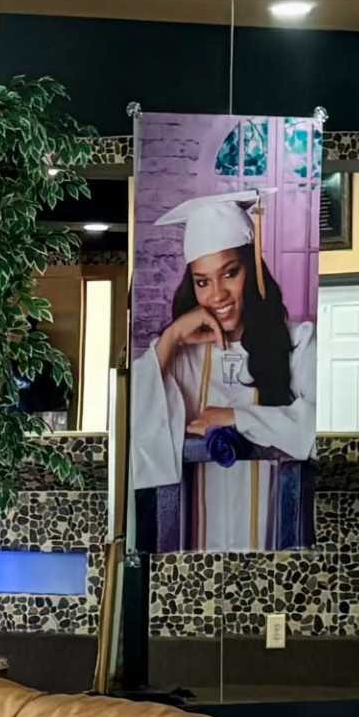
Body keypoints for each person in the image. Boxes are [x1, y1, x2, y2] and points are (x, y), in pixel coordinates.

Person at [129, 191, 316, 552]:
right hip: (192, 539)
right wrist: (169, 339)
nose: (218, 295)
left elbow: (316, 428)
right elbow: (133, 432)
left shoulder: (299, 343)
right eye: (202, 281)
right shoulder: (178, 359)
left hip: (275, 535)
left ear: (254, 270)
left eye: (230, 273)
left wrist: (235, 417)